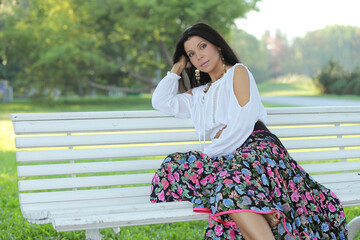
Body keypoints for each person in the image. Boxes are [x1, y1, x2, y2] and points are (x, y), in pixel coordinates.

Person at [150, 23, 347, 240]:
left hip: (257, 148)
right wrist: (177, 67)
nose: (199, 56)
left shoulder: (238, 72)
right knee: (174, 165)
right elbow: (161, 101)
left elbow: (243, 123)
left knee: (228, 187)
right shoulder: (199, 94)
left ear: (217, 45)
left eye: (203, 46)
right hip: (228, 159)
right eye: (191, 54)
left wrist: (212, 151)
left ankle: (258, 206)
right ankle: (261, 209)